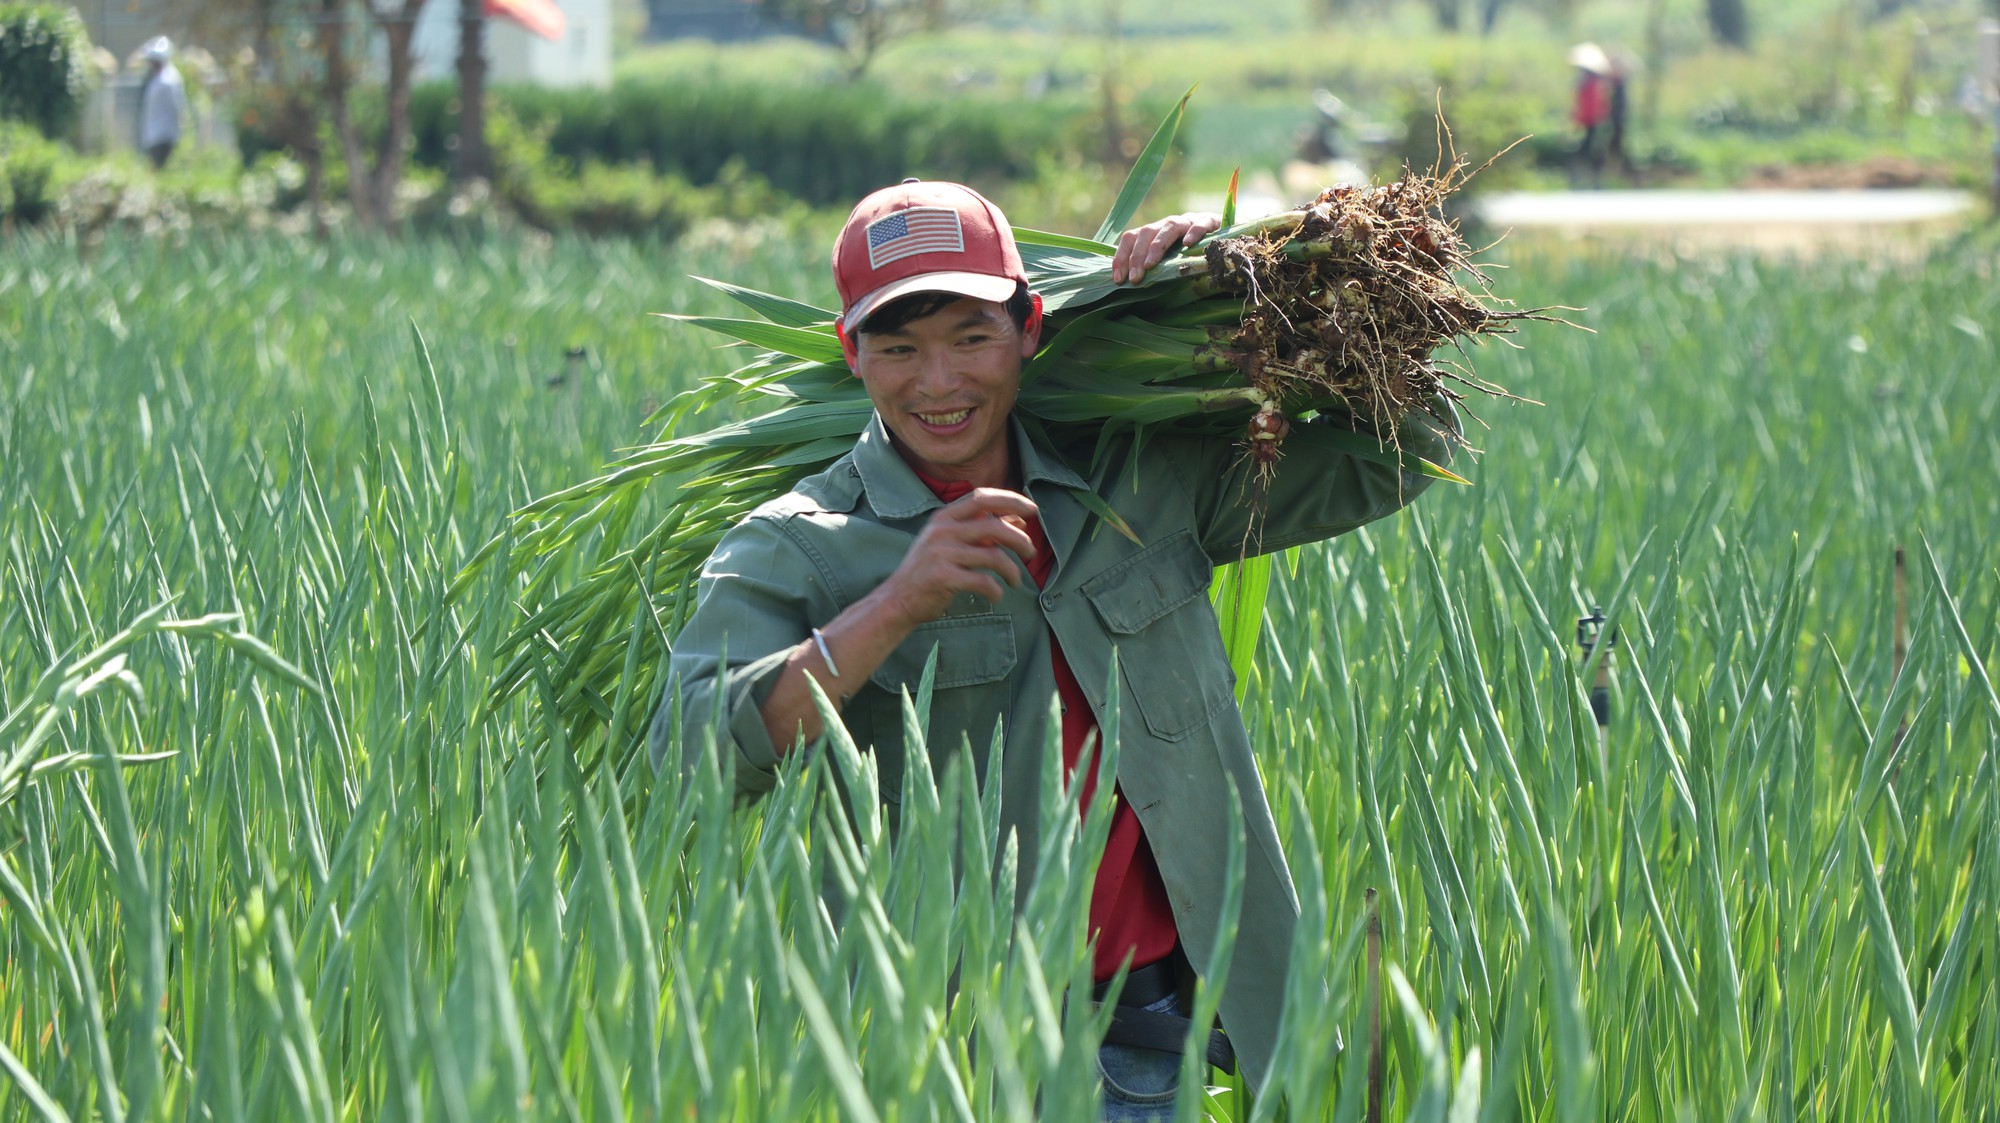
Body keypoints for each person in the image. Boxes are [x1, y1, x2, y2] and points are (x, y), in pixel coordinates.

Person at [654, 179, 1455, 1117]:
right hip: (952, 1056)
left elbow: (1404, 448)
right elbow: (694, 755)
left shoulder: (1138, 478)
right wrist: (895, 604)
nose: (939, 382)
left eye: (971, 337)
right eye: (899, 347)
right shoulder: (800, 541)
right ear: (852, 352)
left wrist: (1236, 280)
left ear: (1030, 326)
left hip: (1156, 1030)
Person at [1567, 42, 1613, 189]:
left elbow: (1599, 104)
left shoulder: (1594, 83)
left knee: (1592, 151)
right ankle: (1585, 179)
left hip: (1594, 121)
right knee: (1587, 150)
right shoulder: (1587, 83)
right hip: (1588, 121)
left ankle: (1591, 180)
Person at [137, 36, 187, 171]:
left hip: (164, 133)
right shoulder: (159, 78)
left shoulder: (168, 80)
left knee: (160, 169)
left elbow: (177, 107)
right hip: (155, 132)